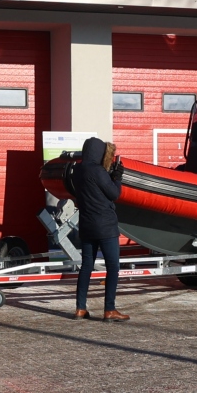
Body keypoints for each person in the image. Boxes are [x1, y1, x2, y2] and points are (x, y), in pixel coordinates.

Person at [72, 137, 128, 321]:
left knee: (86, 266)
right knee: (113, 266)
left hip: (86, 225)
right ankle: (109, 309)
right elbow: (114, 193)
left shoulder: (77, 170)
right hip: (105, 226)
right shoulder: (97, 171)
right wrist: (117, 178)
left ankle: (80, 308)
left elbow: (92, 190)